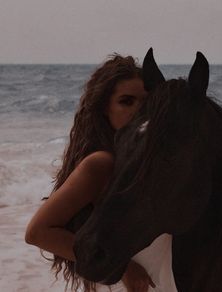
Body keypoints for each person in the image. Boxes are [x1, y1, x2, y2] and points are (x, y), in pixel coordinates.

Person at [25, 54, 157, 292]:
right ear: (104, 110)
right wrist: (122, 267)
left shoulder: (145, 163)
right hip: (124, 283)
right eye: (127, 101)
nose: (139, 110)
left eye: (146, 102)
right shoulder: (102, 163)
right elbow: (38, 232)